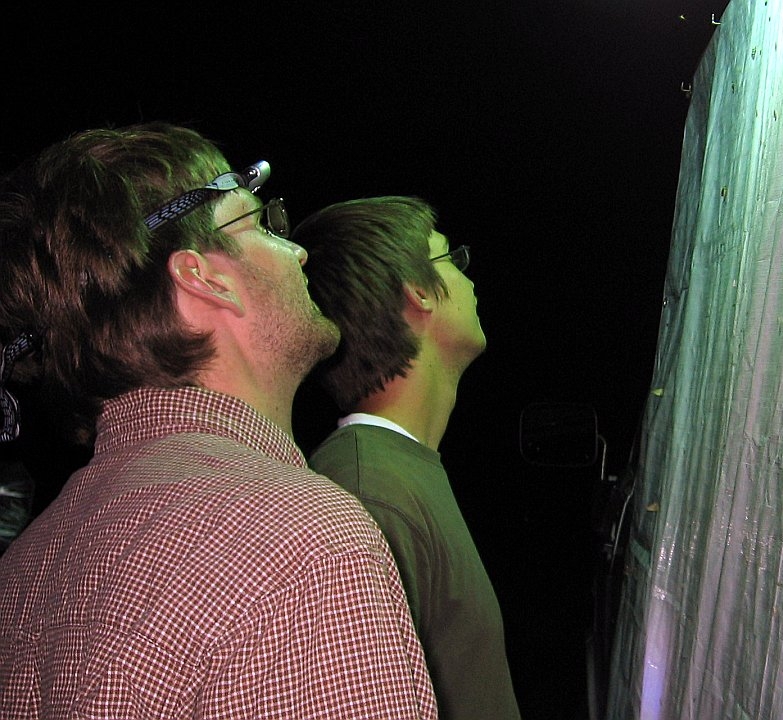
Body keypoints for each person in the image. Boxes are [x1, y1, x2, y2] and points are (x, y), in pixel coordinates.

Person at [0, 124, 438, 719]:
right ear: (203, 277)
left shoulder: (24, 568)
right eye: (258, 222)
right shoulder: (302, 540)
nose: (298, 248)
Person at [292, 196, 521, 720]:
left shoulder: (396, 470)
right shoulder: (367, 494)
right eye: (451, 260)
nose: (468, 279)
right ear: (418, 292)